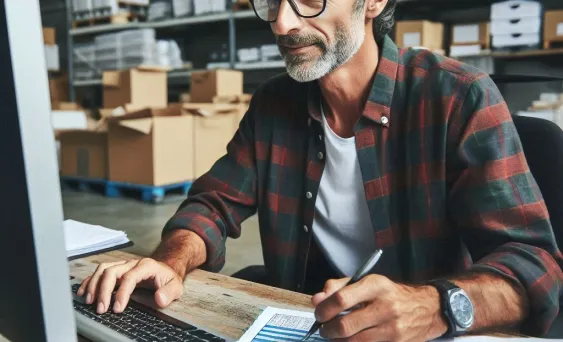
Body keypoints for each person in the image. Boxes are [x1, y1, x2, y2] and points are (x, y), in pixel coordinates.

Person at [77, 0, 563, 340]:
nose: (283, 23)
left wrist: (433, 306)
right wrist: (170, 261)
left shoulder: (459, 98)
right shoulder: (273, 105)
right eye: (272, 0)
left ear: (373, 1)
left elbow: (535, 269)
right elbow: (213, 203)